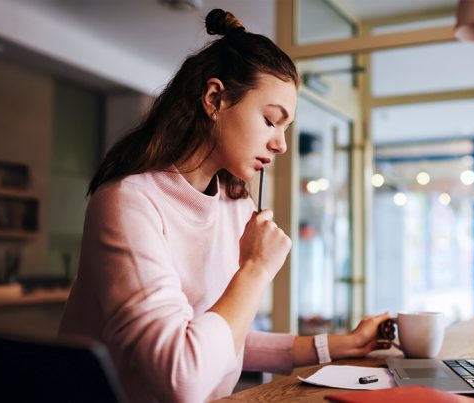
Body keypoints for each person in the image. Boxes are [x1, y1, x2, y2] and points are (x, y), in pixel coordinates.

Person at [58, 9, 391, 403]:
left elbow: (223, 338)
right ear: (215, 99)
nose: (281, 144)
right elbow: (181, 377)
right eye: (271, 120)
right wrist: (254, 270)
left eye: (286, 128)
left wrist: (343, 345)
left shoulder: (233, 205)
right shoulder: (129, 202)